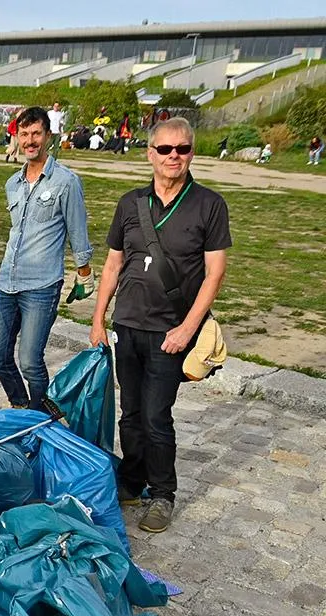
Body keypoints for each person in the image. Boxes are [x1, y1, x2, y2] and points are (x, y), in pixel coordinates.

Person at [89, 117, 230, 533]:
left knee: (155, 416)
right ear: (150, 153)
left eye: (182, 149)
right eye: (165, 150)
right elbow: (114, 262)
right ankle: (130, 481)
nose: (174, 157)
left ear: (192, 153)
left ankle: (163, 492)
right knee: (129, 413)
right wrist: (98, 319)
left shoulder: (208, 204)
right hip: (127, 324)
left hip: (169, 332)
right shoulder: (131, 203)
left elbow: (214, 274)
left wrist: (187, 329)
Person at [0, 106, 93, 411]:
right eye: (24, 134)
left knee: (30, 361)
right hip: (7, 281)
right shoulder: (12, 184)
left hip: (42, 285)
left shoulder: (65, 182)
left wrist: (84, 273)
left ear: (47, 136)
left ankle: (38, 419)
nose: (30, 140)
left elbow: (78, 229)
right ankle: (22, 406)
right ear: (17, 138)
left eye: (36, 133)